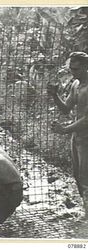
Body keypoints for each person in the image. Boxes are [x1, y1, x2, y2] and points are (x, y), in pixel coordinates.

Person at [47, 51, 88, 217]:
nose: (72, 72)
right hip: (77, 136)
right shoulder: (76, 84)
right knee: (77, 175)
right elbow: (66, 109)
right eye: (71, 68)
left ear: (86, 67)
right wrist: (55, 95)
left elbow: (87, 119)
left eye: (76, 69)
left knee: (85, 176)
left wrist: (65, 129)